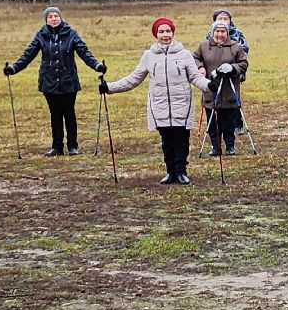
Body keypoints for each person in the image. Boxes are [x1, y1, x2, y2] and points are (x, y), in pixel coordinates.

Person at [100, 17, 211, 185]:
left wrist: (211, 86)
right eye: (161, 32)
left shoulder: (185, 54)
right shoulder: (148, 56)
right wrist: (109, 87)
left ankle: (181, 172)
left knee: (181, 138)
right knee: (166, 139)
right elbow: (133, 79)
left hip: (181, 103)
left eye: (168, 31)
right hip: (159, 104)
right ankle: (170, 172)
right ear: (155, 34)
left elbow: (196, 77)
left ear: (173, 33)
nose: (165, 35)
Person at [4, 6, 106, 156]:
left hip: (68, 80)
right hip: (48, 80)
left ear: (61, 18)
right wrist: (13, 68)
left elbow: (84, 52)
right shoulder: (41, 35)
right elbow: (28, 54)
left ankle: (72, 146)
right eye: (50, 16)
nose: (53, 19)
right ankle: (57, 147)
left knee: (69, 112)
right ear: (46, 20)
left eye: (56, 16)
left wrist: (97, 66)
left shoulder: (71, 34)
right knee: (55, 114)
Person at [194, 20, 249, 156]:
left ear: (227, 32)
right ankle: (215, 147)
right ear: (213, 32)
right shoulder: (203, 46)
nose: (220, 34)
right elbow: (195, 58)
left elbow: (243, 63)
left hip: (229, 90)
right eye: (217, 31)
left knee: (228, 122)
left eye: (223, 31)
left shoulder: (235, 47)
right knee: (212, 122)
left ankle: (230, 146)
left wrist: (233, 68)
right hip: (211, 88)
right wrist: (200, 67)